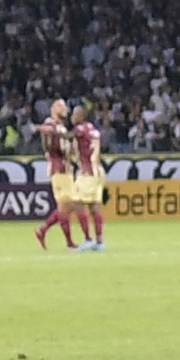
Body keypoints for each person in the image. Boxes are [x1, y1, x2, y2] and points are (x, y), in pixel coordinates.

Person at [33, 99, 80, 251]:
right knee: (67, 205)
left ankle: (43, 230)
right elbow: (46, 129)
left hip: (65, 169)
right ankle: (68, 242)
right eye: (61, 106)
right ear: (53, 108)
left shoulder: (61, 127)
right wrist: (39, 128)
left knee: (66, 206)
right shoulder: (50, 123)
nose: (65, 108)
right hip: (58, 169)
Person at [68, 105, 106, 251]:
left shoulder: (80, 129)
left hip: (87, 173)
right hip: (98, 172)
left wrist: (54, 131)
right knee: (94, 207)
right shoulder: (93, 130)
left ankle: (88, 239)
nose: (72, 116)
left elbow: (68, 136)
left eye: (75, 114)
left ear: (82, 117)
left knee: (77, 202)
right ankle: (100, 242)